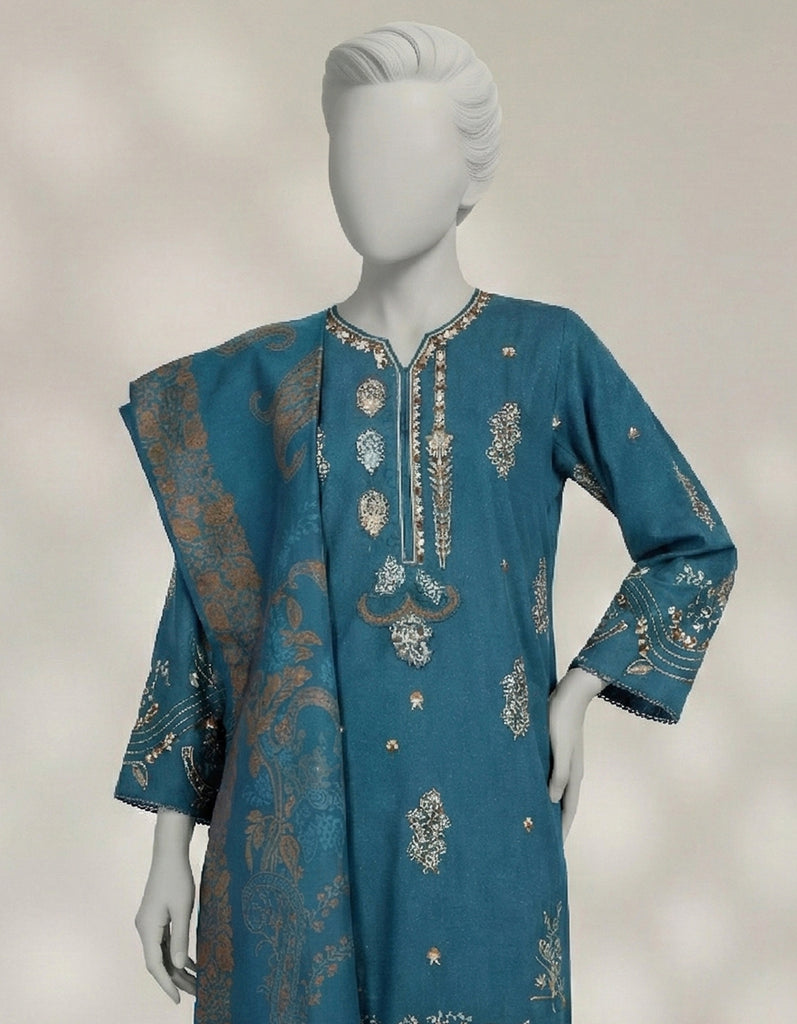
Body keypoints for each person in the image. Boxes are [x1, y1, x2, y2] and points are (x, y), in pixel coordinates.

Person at [115, 22, 737, 1024]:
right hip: (293, 831)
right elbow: (206, 611)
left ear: (469, 178)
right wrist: (166, 852)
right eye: (352, 150)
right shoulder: (266, 379)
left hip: (487, 801)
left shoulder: (544, 353)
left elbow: (691, 543)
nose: (374, 180)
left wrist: (579, 690)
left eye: (407, 152)